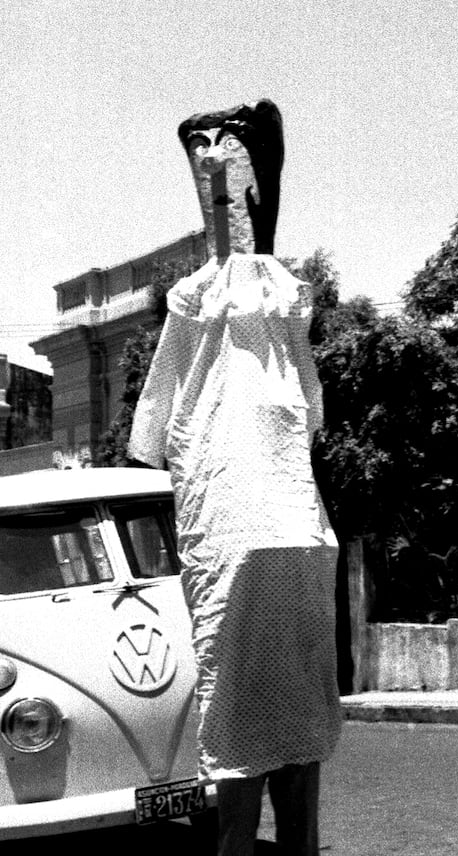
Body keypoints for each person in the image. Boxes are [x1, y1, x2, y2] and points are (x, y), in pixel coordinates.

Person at [128, 99, 341, 856]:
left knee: (278, 744)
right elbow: (307, 411)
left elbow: (156, 433)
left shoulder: (276, 300)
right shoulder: (199, 304)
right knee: (248, 750)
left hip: (271, 538)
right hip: (242, 538)